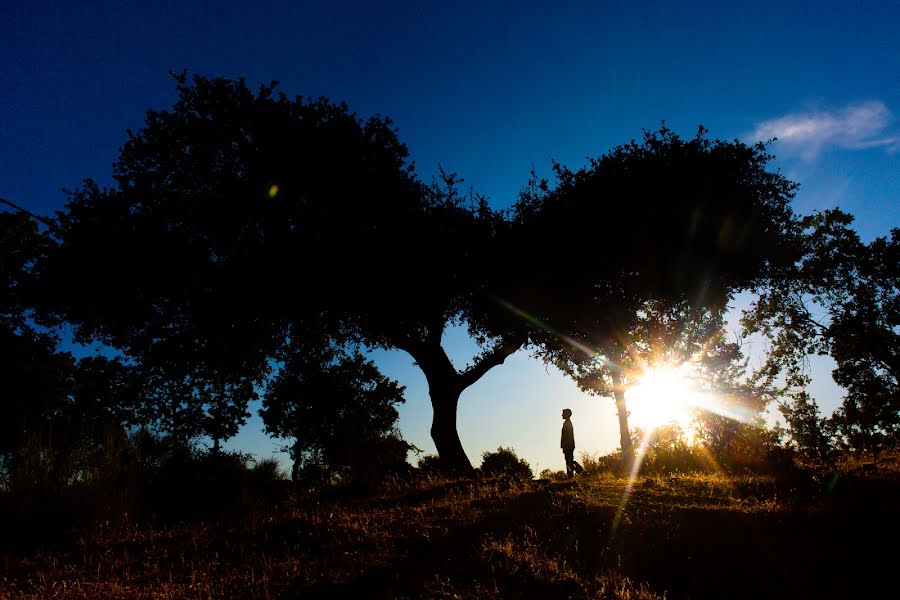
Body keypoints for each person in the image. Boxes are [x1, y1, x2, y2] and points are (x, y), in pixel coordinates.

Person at [561, 408, 586, 478]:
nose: (562, 415)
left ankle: (581, 472)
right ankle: (571, 475)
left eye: (563, 414)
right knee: (569, 461)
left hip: (568, 445)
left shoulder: (567, 423)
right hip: (568, 445)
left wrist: (565, 445)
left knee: (569, 461)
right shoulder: (567, 423)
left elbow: (567, 436)